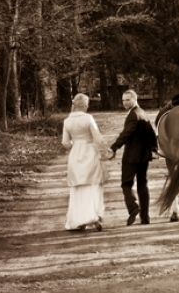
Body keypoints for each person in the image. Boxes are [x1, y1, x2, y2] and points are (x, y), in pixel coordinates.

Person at [109, 89, 158, 226]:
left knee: (126, 184)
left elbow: (126, 134)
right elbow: (152, 134)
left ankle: (133, 207)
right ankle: (145, 218)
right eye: (123, 100)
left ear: (135, 99)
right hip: (144, 157)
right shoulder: (143, 113)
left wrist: (114, 147)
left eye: (127, 100)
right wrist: (154, 148)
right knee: (142, 185)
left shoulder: (133, 115)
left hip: (131, 157)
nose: (125, 102)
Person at [62, 93, 109, 232]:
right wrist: (105, 151)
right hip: (89, 152)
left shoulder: (67, 121)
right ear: (83, 105)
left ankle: (78, 220)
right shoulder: (88, 118)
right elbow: (98, 138)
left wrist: (75, 146)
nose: (88, 106)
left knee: (77, 187)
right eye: (87, 104)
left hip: (75, 154)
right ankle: (94, 216)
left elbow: (65, 142)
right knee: (93, 184)